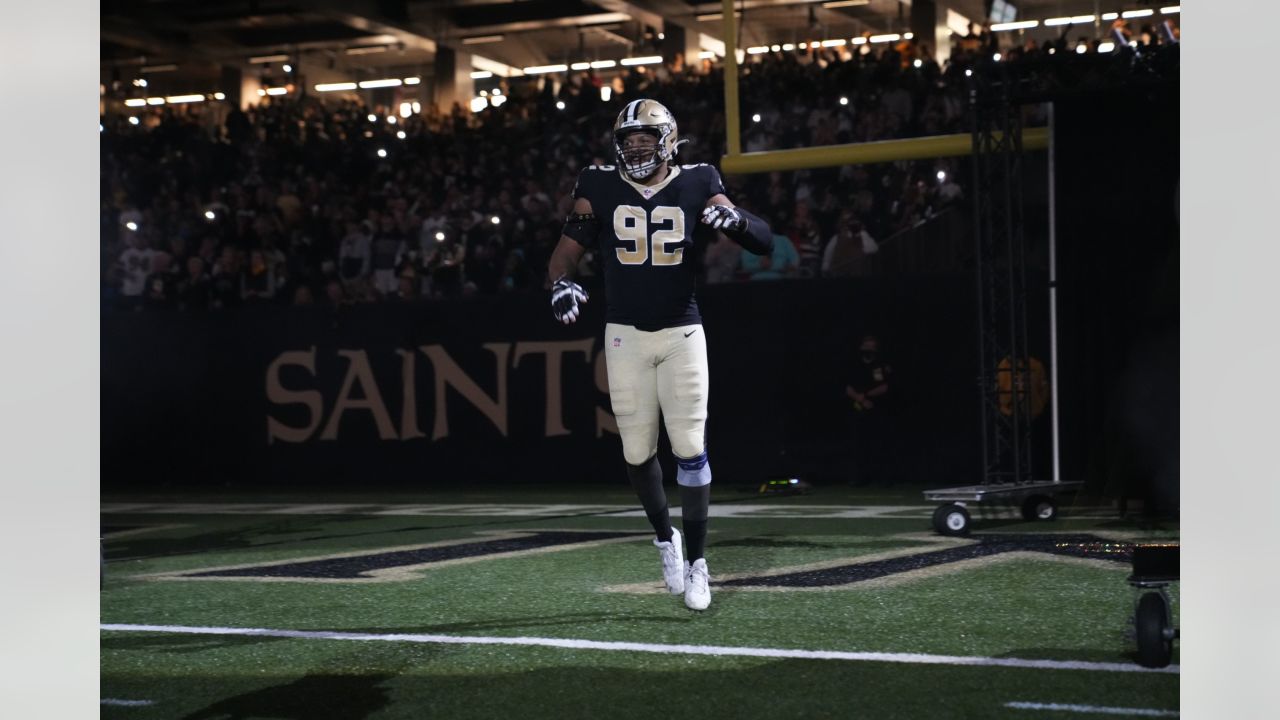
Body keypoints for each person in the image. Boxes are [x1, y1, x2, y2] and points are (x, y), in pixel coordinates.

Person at [546, 99, 774, 611]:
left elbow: (763, 240)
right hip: (624, 334)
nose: (636, 148)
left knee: (691, 448)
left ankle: (698, 563)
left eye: (645, 140)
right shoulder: (598, 184)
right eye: (628, 141)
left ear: (668, 139)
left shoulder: (698, 179)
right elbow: (565, 251)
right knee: (636, 452)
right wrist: (560, 283)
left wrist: (733, 219)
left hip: (681, 333)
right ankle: (664, 539)